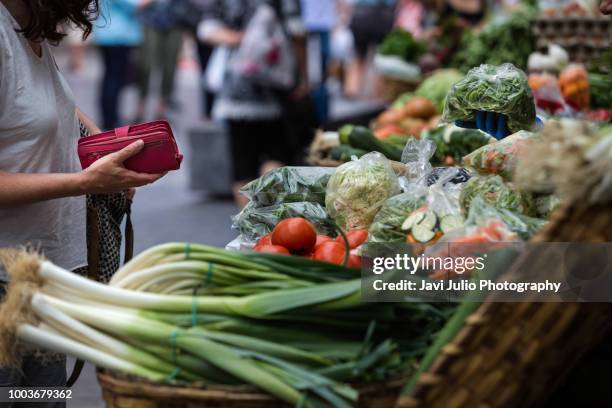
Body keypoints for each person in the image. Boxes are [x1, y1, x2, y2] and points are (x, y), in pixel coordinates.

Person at [0, 0, 165, 399]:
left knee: (44, 398)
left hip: (42, 277)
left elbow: (57, 108)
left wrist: (110, 147)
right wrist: (84, 181)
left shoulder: (27, 29)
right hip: (5, 286)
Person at [198, 0, 307, 207]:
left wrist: (241, 39)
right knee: (277, 152)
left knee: (242, 161)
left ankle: (248, 225)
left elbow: (206, 30)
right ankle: (273, 217)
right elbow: (298, 34)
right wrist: (302, 78)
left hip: (236, 86)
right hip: (276, 86)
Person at [93, 0, 149, 130]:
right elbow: (135, 5)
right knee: (113, 80)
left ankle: (110, 117)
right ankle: (110, 119)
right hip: (118, 36)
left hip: (108, 35)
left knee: (111, 78)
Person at [134, 0, 185, 122]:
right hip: (150, 21)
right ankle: (140, 108)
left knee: (169, 68)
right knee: (145, 66)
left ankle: (161, 110)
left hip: (175, 21)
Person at [344, 0, 396, 98]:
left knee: (358, 57)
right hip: (382, 17)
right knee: (379, 59)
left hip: (360, 17)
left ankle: (352, 89)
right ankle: (377, 94)